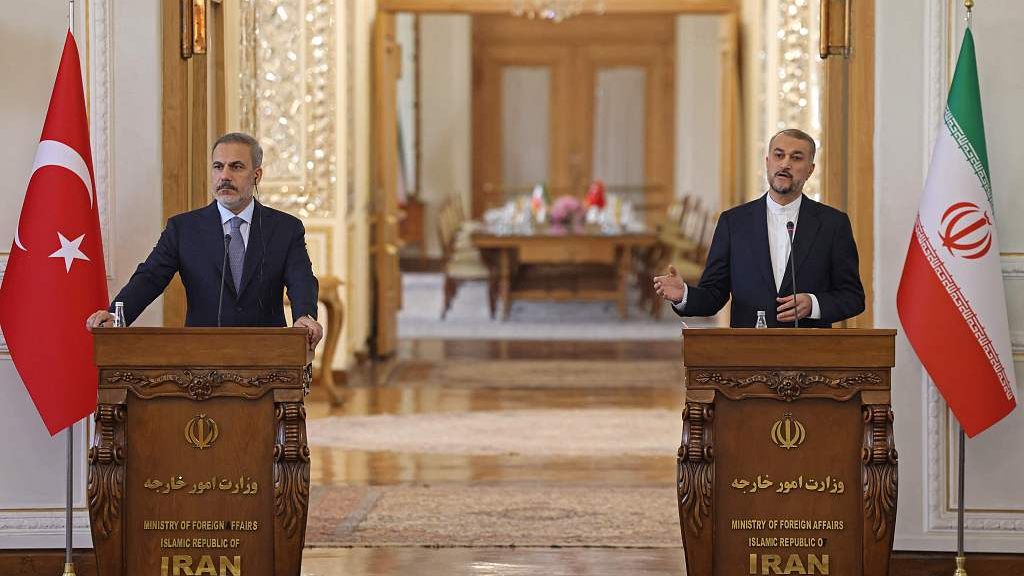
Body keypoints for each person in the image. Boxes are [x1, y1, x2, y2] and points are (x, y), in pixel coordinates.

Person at [86, 132, 323, 348]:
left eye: (236, 167)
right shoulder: (184, 229)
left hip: (267, 354)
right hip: (201, 357)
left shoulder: (285, 228)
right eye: (218, 167)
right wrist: (118, 316)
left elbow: (301, 279)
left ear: (256, 175)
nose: (225, 176)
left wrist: (304, 316)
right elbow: (150, 277)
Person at [653, 128, 864, 328]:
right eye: (778, 155)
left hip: (811, 353)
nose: (785, 164)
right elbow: (714, 294)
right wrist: (685, 295)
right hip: (748, 353)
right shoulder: (733, 222)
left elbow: (853, 297)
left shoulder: (833, 224)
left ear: (810, 170)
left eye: (796, 158)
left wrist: (813, 304)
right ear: (767, 162)